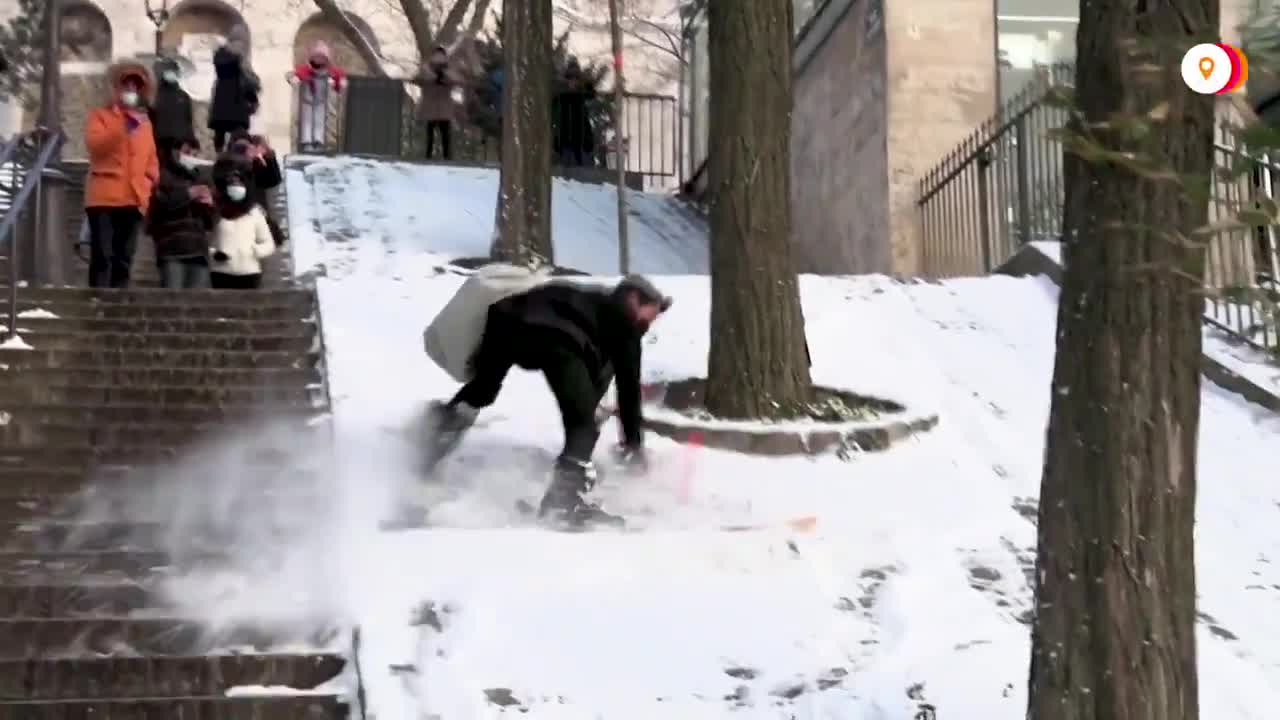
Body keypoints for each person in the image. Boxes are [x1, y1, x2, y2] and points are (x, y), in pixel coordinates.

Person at [424, 274, 672, 528]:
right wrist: (632, 445)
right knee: (583, 424)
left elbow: (597, 378)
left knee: (483, 390)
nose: (648, 325)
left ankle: (434, 434)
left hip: (506, 320)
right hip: (558, 336)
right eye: (650, 315)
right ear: (634, 299)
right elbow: (628, 388)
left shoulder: (590, 301)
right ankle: (562, 504)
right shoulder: (626, 322)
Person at [83, 60, 160, 288]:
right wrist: (122, 128)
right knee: (102, 255)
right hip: (104, 196)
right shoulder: (100, 116)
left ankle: (120, 300)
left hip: (133, 198)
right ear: (116, 89)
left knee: (124, 257)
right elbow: (95, 145)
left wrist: (151, 179)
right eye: (126, 86)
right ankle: (97, 301)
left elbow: (151, 157)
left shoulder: (145, 124)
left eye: (135, 87)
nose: (130, 91)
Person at [147, 136, 216, 289]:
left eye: (194, 153)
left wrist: (209, 205)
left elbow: (210, 222)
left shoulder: (201, 178)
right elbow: (159, 205)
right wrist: (188, 194)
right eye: (186, 151)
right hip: (172, 249)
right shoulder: (163, 176)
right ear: (175, 152)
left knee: (196, 303)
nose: (190, 156)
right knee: (172, 297)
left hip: (198, 249)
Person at [208, 160, 274, 289]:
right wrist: (214, 253)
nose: (235, 186)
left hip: (249, 272)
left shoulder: (255, 212)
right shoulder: (218, 212)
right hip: (221, 272)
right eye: (232, 183)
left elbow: (268, 243)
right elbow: (208, 241)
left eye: (239, 183)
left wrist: (255, 251)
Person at [208, 24, 260, 152]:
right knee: (238, 135)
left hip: (221, 100)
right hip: (239, 101)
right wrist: (253, 99)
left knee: (219, 133)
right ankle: (235, 157)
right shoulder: (241, 55)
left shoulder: (220, 53)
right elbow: (249, 81)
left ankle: (219, 157)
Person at [291, 41, 346, 152]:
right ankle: (306, 141)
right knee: (307, 120)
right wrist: (296, 79)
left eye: (322, 57)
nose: (319, 60)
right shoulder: (305, 69)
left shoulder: (330, 71)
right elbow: (296, 74)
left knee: (319, 120)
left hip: (321, 100)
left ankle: (318, 141)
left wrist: (339, 83)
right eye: (317, 57)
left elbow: (339, 77)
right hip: (307, 100)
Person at [415, 45, 464, 161]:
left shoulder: (449, 70)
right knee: (430, 133)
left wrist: (445, 75)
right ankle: (428, 156)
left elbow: (457, 81)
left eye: (441, 56)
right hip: (430, 104)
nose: (439, 58)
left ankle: (447, 157)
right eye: (437, 55)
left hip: (444, 105)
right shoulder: (426, 69)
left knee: (445, 133)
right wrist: (430, 75)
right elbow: (417, 80)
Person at [149, 57, 194, 158]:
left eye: (173, 70)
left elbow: (188, 120)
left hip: (178, 143)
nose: (171, 73)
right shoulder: (153, 96)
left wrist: (189, 141)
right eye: (168, 70)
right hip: (158, 142)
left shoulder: (183, 96)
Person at [553, 57, 595, 167]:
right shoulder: (565, 84)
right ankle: (571, 166)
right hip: (571, 119)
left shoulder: (580, 83)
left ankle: (571, 165)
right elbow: (591, 94)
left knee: (572, 146)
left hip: (574, 119)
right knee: (570, 146)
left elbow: (590, 94)